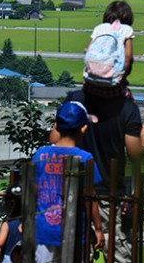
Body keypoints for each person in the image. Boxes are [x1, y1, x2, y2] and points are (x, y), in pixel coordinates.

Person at [50, 86, 144, 262]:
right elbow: (134, 154)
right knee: (116, 248)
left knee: (77, 250)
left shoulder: (76, 100)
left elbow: (54, 139)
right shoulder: (124, 109)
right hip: (108, 191)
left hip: (72, 193)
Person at [34, 101, 105, 263]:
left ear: (56, 127)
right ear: (84, 128)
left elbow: (33, 191)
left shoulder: (40, 155)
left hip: (43, 230)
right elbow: (89, 197)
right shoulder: (85, 158)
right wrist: (98, 228)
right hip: (73, 230)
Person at [85, 0, 135, 100]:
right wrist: (123, 76)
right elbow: (128, 56)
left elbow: (88, 50)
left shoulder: (99, 28)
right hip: (113, 79)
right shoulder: (126, 29)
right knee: (130, 104)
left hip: (92, 78)